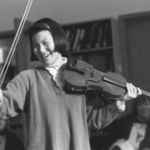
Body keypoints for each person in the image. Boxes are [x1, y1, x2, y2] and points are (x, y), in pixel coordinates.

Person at [0, 18, 141, 150]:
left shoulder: (82, 75)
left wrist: (120, 102)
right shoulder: (27, 79)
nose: (41, 50)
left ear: (58, 40)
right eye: (35, 46)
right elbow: (4, 107)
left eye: (45, 43)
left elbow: (93, 119)